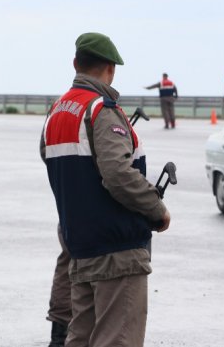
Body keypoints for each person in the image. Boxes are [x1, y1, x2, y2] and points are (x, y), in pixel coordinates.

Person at [41, 32, 171, 346]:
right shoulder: (100, 109)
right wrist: (157, 210)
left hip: (81, 247)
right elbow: (118, 174)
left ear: (76, 64)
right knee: (118, 339)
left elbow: (56, 165)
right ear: (111, 69)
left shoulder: (56, 112)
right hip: (117, 249)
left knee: (81, 338)